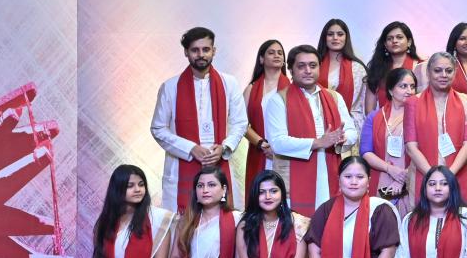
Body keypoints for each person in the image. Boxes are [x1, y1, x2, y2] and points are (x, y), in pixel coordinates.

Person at [151, 27, 248, 211]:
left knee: (222, 221)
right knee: (183, 222)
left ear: (214, 51)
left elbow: (240, 122)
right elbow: (158, 128)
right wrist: (190, 149)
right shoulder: (170, 87)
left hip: (219, 160)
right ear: (186, 52)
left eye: (206, 49)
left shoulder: (229, 83)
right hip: (183, 162)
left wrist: (224, 147)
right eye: (195, 50)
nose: (201, 54)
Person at [263, 45, 359, 216]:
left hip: (329, 171)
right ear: (291, 69)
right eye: (301, 66)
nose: (308, 70)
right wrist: (318, 142)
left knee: (327, 220)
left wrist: (342, 138)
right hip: (294, 176)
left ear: (319, 68)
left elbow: (352, 131)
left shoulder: (334, 97)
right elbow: (277, 142)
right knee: (296, 225)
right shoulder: (278, 100)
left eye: (313, 65)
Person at [405, 52, 467, 209]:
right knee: (423, 221)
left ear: (455, 72)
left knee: (459, 219)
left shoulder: (466, 102)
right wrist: (433, 178)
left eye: (449, 71)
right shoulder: (413, 103)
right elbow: (411, 146)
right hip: (423, 174)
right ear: (428, 73)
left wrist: (448, 176)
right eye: (437, 70)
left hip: (457, 173)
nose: (443, 75)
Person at [303, 156, 401, 258]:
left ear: (368, 181)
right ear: (339, 180)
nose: (354, 182)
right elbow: (314, 248)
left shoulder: (380, 210)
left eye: (360, 177)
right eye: (348, 176)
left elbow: (388, 251)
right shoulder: (326, 209)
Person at [360, 68, 418, 215]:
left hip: (412, 178)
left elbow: (426, 150)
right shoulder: (374, 117)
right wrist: (390, 169)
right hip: (381, 177)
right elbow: (366, 152)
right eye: (403, 86)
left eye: (412, 86)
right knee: (382, 221)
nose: (409, 91)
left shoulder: (421, 116)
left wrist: (403, 177)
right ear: (391, 90)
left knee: (409, 223)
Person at [93, 165, 176, 258]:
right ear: (117, 189)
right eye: (130, 186)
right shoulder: (104, 223)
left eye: (141, 184)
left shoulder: (158, 220)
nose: (137, 189)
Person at [397, 167, 467, 258]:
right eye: (432, 184)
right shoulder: (410, 220)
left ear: (452, 187)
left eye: (444, 184)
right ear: (425, 189)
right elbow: (402, 257)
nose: (438, 188)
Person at [235, 170, 311, 258]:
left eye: (273, 191)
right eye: (261, 192)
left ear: (282, 194)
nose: (268, 196)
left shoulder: (298, 223)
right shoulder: (246, 225)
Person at [244, 39, 290, 186]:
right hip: (259, 151)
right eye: (271, 53)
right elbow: (242, 124)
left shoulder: (294, 88)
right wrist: (262, 144)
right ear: (261, 59)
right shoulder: (251, 89)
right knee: (259, 192)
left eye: (280, 53)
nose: (277, 55)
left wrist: (278, 148)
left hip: (286, 153)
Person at [170, 166, 241, 258]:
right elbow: (175, 257)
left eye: (211, 185)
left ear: (224, 189)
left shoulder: (237, 219)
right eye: (200, 186)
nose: (205, 190)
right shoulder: (186, 221)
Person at [319, 19, 370, 123]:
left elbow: (362, 103)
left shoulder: (357, 68)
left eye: (340, 34)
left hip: (350, 123)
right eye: (330, 34)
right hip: (320, 121)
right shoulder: (315, 65)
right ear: (324, 38)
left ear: (346, 38)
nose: (335, 38)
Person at [366, 21, 423, 112]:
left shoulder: (421, 66)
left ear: (409, 42)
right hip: (383, 119)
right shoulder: (377, 68)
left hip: (413, 118)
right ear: (385, 44)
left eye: (399, 37)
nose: (394, 41)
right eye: (390, 38)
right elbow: (369, 110)